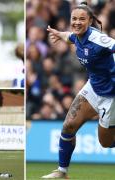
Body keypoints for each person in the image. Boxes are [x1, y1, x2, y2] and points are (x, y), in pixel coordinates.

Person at [42, 1, 115, 179]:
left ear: (90, 21)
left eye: (82, 19)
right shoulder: (77, 36)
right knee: (68, 126)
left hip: (110, 95)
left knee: (105, 143)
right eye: (74, 19)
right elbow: (71, 37)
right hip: (93, 87)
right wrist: (60, 34)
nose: (76, 22)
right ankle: (62, 172)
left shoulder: (98, 39)